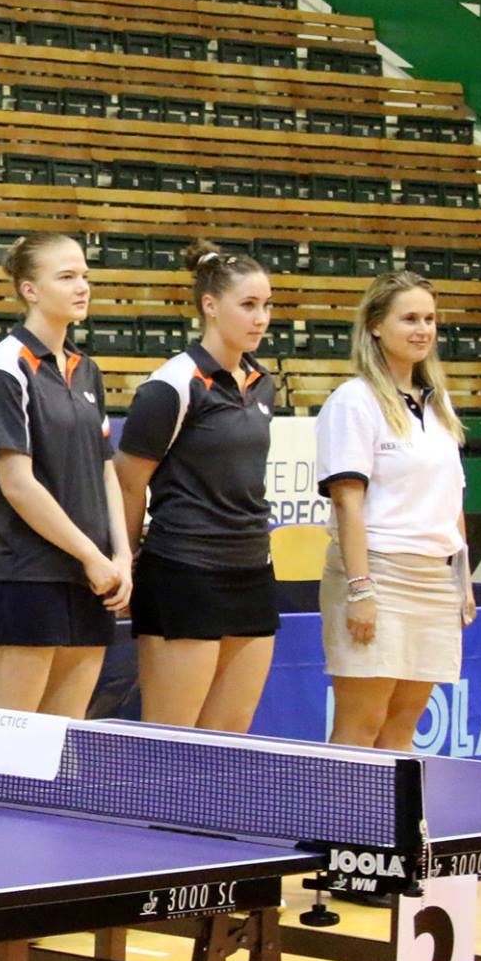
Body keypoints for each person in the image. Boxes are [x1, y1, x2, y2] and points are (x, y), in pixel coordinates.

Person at [115, 242, 280, 731]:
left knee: (229, 738)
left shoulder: (262, 382)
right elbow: (128, 483)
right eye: (248, 305)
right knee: (172, 740)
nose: (261, 318)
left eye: (267, 306)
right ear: (210, 305)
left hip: (252, 570)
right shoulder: (172, 385)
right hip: (185, 573)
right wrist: (126, 560)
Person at [0, 234, 131, 717]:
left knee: (63, 736)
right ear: (30, 290)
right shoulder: (5, 368)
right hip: (29, 576)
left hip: (91, 580)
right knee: (6, 740)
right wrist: (91, 555)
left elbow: (105, 469)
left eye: (84, 275)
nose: (82, 286)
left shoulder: (86, 370)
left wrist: (122, 555)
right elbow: (17, 483)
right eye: (66, 277)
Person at [315, 270, 474, 751]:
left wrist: (462, 579)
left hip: (434, 581)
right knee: (360, 727)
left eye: (429, 319)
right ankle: (341, 807)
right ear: (376, 325)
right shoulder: (353, 401)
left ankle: (396, 809)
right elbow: (347, 502)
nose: (423, 329)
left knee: (403, 728)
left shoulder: (440, 404)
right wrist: (361, 589)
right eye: (409, 319)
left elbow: (452, 499)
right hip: (379, 575)